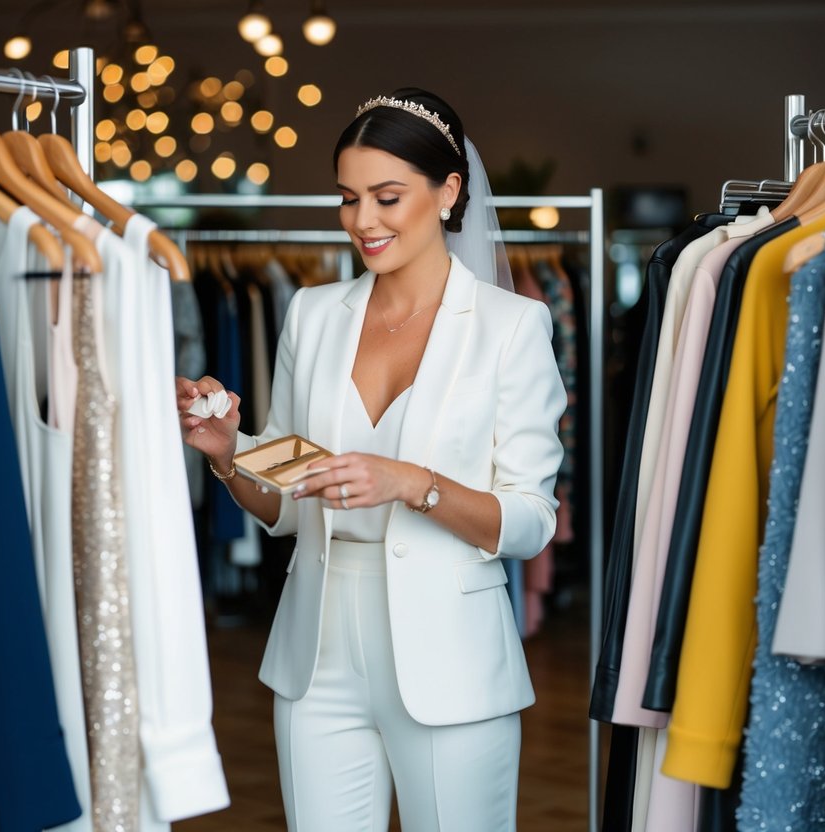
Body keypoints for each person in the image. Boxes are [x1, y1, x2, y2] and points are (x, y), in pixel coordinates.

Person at [176, 87, 565, 832]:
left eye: (386, 197)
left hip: (449, 663)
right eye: (347, 198)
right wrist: (230, 457)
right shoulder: (313, 314)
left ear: (449, 192)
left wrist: (410, 483)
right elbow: (289, 504)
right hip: (316, 655)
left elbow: (528, 522)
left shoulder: (512, 327)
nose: (362, 221)